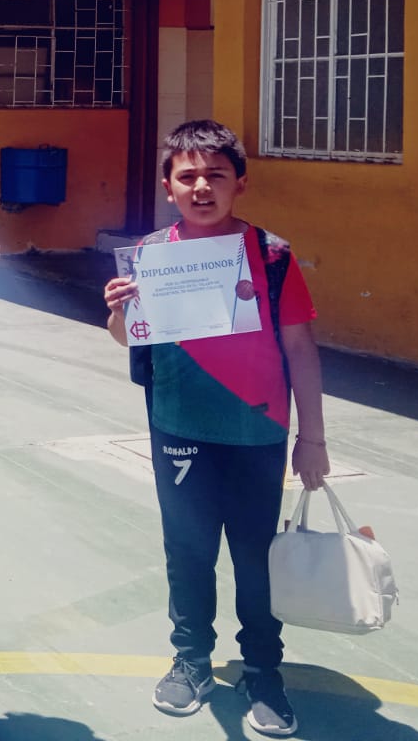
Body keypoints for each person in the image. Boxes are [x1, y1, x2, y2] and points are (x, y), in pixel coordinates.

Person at [102, 120, 329, 738]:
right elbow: (128, 338)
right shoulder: (149, 255)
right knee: (189, 550)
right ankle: (192, 660)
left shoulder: (272, 256)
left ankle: (263, 671)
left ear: (240, 184)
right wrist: (120, 310)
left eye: (216, 175)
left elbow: (301, 349)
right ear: (168, 186)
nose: (202, 187)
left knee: (256, 559)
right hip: (177, 425)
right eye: (188, 176)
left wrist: (313, 437)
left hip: (257, 431)